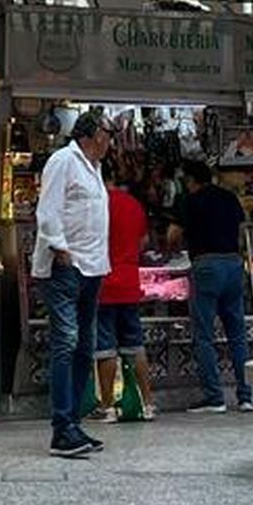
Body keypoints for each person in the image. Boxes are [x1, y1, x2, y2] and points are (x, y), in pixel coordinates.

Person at [33, 110, 111, 458]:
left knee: (84, 346)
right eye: (106, 133)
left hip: (93, 267)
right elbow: (47, 209)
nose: (110, 140)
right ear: (91, 134)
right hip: (66, 266)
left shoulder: (94, 167)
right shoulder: (63, 160)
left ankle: (74, 422)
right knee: (66, 340)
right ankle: (61, 428)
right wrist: (60, 248)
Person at [169, 157, 253, 414]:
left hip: (206, 266)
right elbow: (241, 231)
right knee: (237, 334)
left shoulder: (190, 201)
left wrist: (174, 249)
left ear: (191, 180)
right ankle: (245, 396)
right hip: (233, 264)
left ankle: (214, 397)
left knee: (204, 335)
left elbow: (173, 234)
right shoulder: (228, 197)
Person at [96, 179, 155, 422]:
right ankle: (148, 403)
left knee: (105, 348)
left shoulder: (97, 203)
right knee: (135, 345)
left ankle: (108, 406)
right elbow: (144, 241)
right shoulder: (134, 205)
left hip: (103, 282)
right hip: (130, 282)